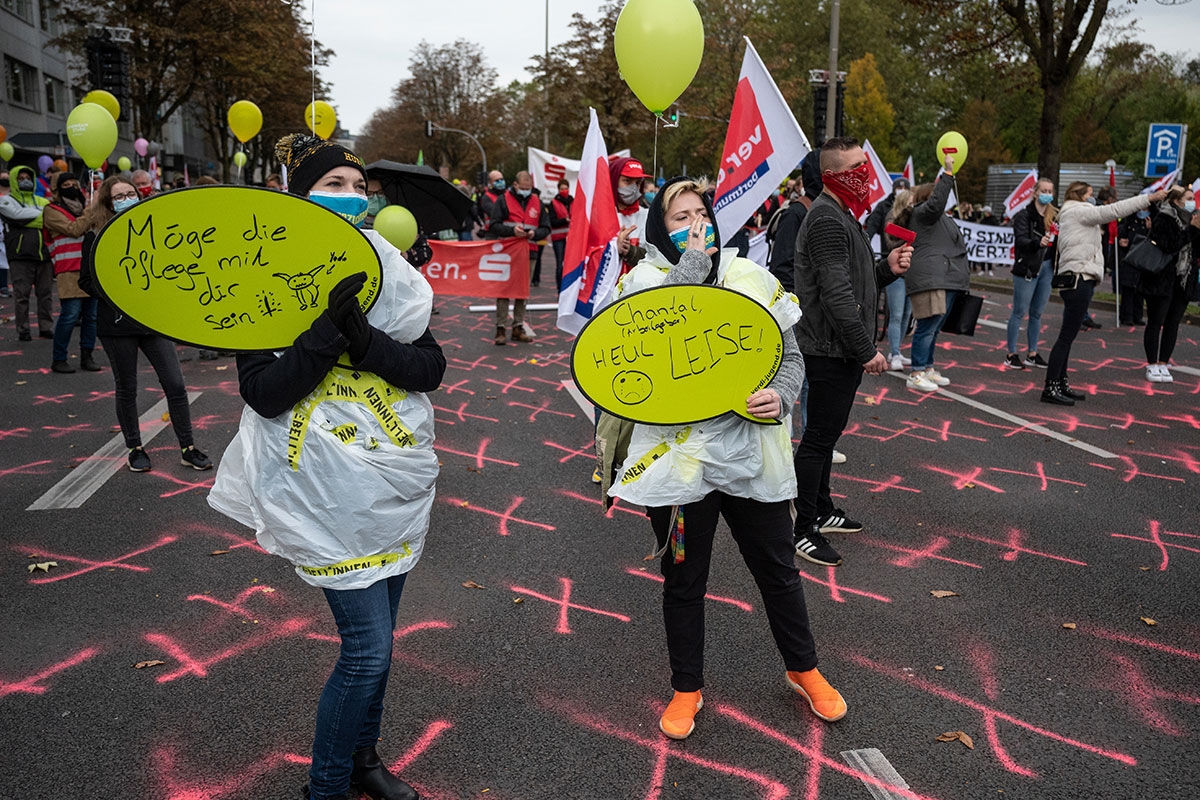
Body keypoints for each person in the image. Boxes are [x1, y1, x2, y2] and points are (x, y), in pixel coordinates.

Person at [209, 133, 445, 800]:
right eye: (331, 183)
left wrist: (366, 340)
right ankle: (328, 787)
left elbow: (429, 367)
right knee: (366, 649)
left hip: (388, 487)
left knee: (382, 646)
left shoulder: (387, 270)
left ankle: (364, 761)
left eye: (355, 184)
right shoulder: (261, 276)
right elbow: (264, 390)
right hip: (319, 496)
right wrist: (323, 335)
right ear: (299, 195)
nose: (349, 195)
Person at [602, 175, 847, 740]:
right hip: (678, 463)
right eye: (679, 218)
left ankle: (803, 668)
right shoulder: (640, 282)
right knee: (684, 577)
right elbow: (639, 352)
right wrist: (688, 270)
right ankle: (687, 687)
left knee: (778, 570)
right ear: (657, 230)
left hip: (749, 457)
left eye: (701, 213)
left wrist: (781, 394)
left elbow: (791, 356)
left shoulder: (748, 276)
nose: (695, 226)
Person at [791, 137, 912, 567]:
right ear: (833, 178)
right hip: (829, 349)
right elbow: (836, 294)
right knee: (818, 439)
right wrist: (865, 350)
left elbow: (855, 280)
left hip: (836, 346)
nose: (866, 176)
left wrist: (887, 269)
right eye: (857, 170)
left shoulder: (841, 214)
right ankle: (802, 529)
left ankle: (821, 510)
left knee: (826, 437)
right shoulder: (826, 218)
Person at [77, 177, 213, 472]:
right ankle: (135, 448)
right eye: (119, 196)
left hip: (153, 322)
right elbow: (85, 281)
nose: (127, 199)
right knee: (127, 388)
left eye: (131, 193)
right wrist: (120, 295)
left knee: (176, 385)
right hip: (116, 326)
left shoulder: (155, 229)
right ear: (108, 203)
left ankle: (187, 447)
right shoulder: (96, 236)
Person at [1041, 182, 1165, 405]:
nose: (1093, 199)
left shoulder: (1072, 212)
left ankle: (1061, 382)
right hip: (1079, 278)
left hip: (1079, 277)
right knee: (1066, 337)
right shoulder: (1078, 211)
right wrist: (1149, 199)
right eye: (1089, 195)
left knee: (1068, 337)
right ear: (1080, 196)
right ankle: (1050, 387)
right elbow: (1114, 210)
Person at [903, 159, 968, 392]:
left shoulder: (938, 219)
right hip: (931, 277)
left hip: (943, 277)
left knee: (935, 326)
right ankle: (917, 371)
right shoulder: (923, 213)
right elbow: (937, 202)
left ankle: (927, 367)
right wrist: (948, 173)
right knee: (927, 326)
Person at [42, 172, 102, 373]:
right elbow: (74, 229)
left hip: (90, 268)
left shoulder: (85, 209)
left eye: (74, 183)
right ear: (58, 190)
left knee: (91, 317)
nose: (71, 187)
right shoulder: (51, 211)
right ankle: (59, 358)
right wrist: (90, 211)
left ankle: (87, 356)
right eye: (66, 184)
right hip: (68, 271)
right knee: (70, 315)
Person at [1140, 185, 1198, 383]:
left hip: (1183, 279)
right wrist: (1191, 230)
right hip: (1162, 278)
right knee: (1156, 321)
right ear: (1176, 201)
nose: (1193, 202)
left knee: (1173, 324)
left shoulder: (1193, 220)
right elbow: (1170, 245)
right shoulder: (1164, 218)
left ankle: (1164, 363)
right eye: (1188, 198)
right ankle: (1152, 363)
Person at [485, 170, 547, 345]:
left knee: (523, 291)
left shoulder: (538, 203)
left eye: (529, 187)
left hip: (530, 251)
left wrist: (535, 233)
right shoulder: (503, 200)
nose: (526, 190)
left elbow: (546, 227)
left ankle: (518, 327)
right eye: (523, 187)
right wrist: (512, 231)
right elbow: (494, 225)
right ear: (516, 185)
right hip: (508, 252)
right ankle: (501, 328)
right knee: (504, 290)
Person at [1005, 177, 1057, 370]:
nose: (1047, 195)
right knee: (1019, 311)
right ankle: (1011, 354)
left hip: (1047, 267)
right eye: (1043, 191)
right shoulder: (1024, 216)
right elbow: (1020, 240)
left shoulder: (1054, 216)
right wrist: (1037, 243)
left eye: (1050, 191)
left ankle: (1032, 353)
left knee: (1037, 313)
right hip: (1027, 267)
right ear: (1035, 193)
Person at [0, 165, 53, 341]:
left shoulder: (41, 200)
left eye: (28, 178)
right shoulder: (6, 200)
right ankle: (23, 329)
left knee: (45, 294)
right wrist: (40, 217)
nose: (25, 181)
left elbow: (51, 218)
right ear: (15, 180)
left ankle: (46, 327)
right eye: (21, 178)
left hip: (44, 254)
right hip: (20, 255)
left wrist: (31, 218)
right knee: (21, 295)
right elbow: (16, 215)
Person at [882, 189, 915, 371]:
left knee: (906, 316)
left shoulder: (915, 219)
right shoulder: (891, 217)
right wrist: (907, 240)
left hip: (911, 274)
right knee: (896, 315)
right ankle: (894, 353)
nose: (912, 206)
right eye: (910, 203)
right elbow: (889, 242)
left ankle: (897, 350)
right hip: (897, 274)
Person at [610, 156, 650, 270]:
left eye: (637, 183)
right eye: (627, 181)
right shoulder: (601, 216)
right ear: (614, 180)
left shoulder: (646, 215)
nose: (633, 188)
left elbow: (655, 257)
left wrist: (630, 251)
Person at [547, 177, 572, 290]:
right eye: (562, 189)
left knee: (571, 265)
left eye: (566, 188)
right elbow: (552, 221)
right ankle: (560, 288)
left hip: (571, 238)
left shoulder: (573, 201)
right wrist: (564, 220)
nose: (564, 191)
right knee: (560, 265)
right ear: (558, 190)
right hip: (558, 238)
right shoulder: (553, 203)